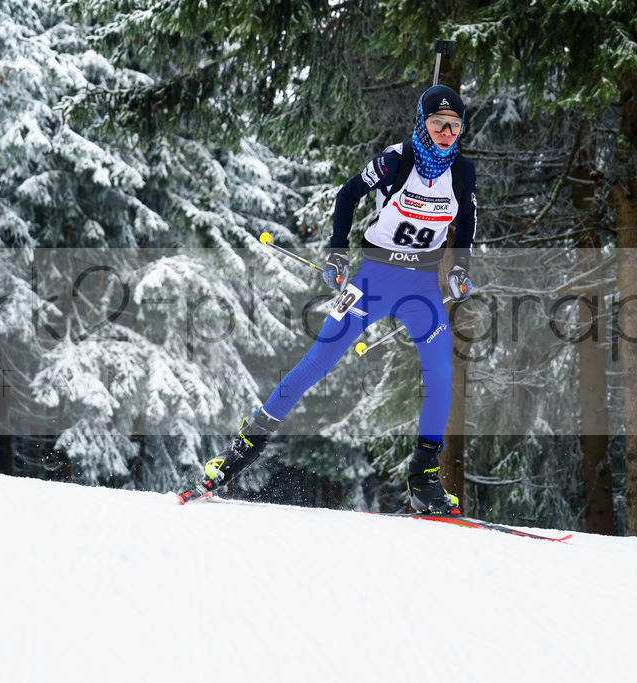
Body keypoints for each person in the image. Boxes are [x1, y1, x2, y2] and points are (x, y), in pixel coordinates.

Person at [182, 85, 477, 514]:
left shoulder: (463, 172)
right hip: (373, 278)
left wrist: (462, 269)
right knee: (317, 361)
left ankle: (423, 477)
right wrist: (338, 253)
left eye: (454, 125)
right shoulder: (396, 160)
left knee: (441, 373)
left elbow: (466, 220)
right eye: (437, 123)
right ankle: (238, 455)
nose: (447, 132)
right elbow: (347, 195)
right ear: (422, 123)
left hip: (423, 287)